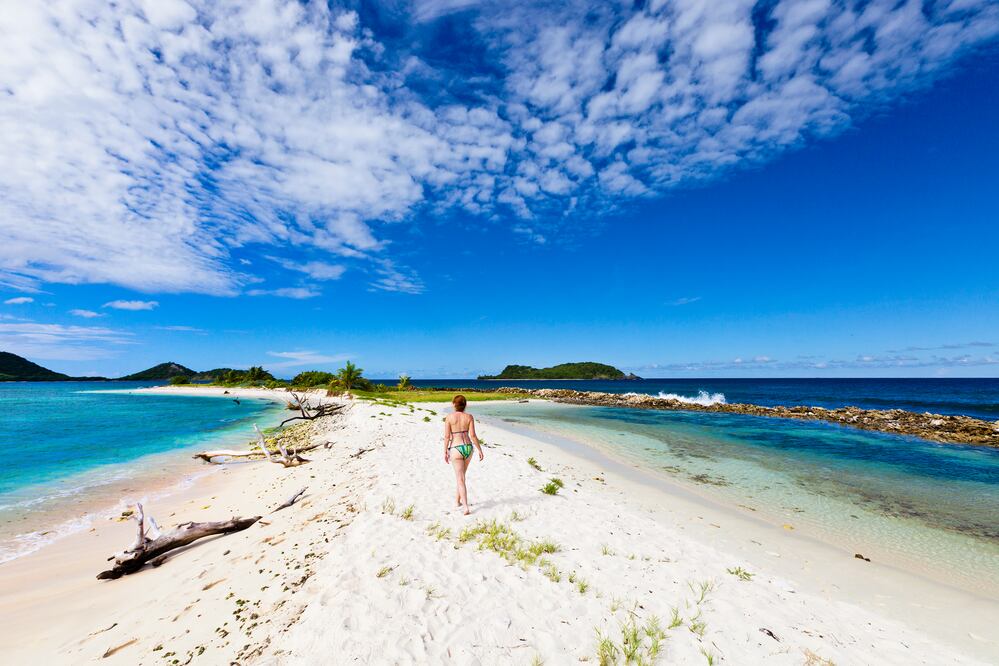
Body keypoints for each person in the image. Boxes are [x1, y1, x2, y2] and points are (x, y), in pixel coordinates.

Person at [443, 394, 483, 515]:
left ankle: (465, 507)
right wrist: (480, 450)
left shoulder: (449, 418)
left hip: (455, 448)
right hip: (468, 448)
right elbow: (473, 435)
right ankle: (457, 501)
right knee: (461, 477)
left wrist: (445, 450)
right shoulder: (469, 417)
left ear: (453, 404)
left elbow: (447, 436)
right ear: (465, 405)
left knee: (460, 478)